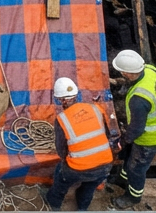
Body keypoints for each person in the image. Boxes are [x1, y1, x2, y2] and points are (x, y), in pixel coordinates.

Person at [110, 50, 156, 209]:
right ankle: (122, 179)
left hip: (151, 137)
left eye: (122, 72)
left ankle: (133, 197)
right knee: (130, 157)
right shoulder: (151, 69)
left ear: (128, 73)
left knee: (136, 169)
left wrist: (121, 141)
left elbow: (136, 129)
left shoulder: (139, 99)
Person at [43, 77, 114, 211]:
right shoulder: (96, 108)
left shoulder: (62, 120)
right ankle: (82, 207)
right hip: (105, 166)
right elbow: (108, 134)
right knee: (89, 188)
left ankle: (53, 202)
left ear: (61, 100)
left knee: (61, 177)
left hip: (78, 169)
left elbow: (61, 150)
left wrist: (67, 161)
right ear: (76, 94)